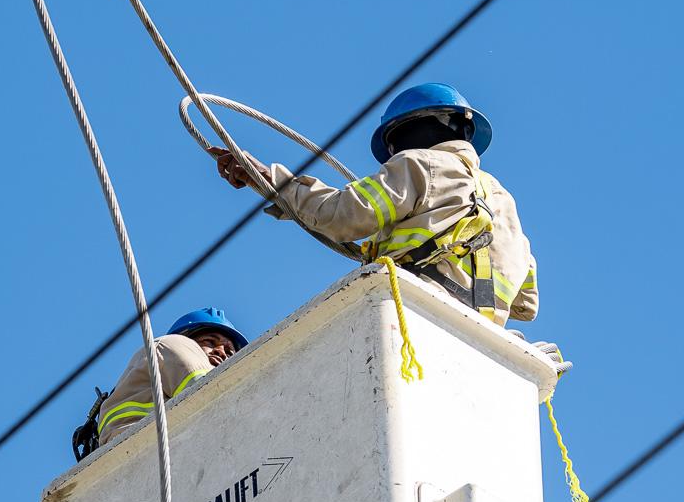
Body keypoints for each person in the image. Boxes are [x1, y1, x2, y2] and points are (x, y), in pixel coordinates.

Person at [209, 82, 542, 330]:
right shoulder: (502, 201)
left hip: (417, 312)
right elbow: (526, 304)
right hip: (482, 334)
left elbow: (340, 215)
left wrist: (268, 179)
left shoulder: (418, 164)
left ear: (407, 132)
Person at [87, 307, 249, 445]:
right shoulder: (174, 345)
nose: (221, 352)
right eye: (210, 342)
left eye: (229, 352)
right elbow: (211, 397)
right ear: (185, 338)